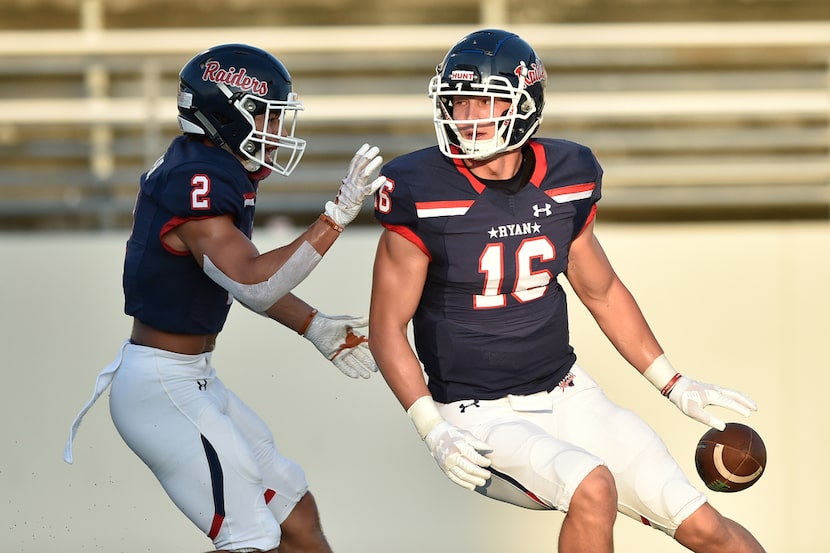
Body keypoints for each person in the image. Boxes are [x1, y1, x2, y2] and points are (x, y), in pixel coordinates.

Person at [368, 29, 766, 553]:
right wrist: (430, 426)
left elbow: (600, 290)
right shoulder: (421, 187)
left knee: (708, 530)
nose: (466, 118)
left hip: (566, 390)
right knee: (592, 485)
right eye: (457, 102)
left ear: (525, 103)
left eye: (483, 102)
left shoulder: (568, 174)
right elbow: (385, 328)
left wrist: (674, 383)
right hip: (475, 412)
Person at [64, 43, 384, 553]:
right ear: (228, 113)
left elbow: (230, 276)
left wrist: (313, 324)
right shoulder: (199, 179)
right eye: (268, 115)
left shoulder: (211, 165)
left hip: (193, 377)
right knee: (250, 536)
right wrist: (336, 218)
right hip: (159, 388)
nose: (278, 132)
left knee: (295, 516)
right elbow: (253, 283)